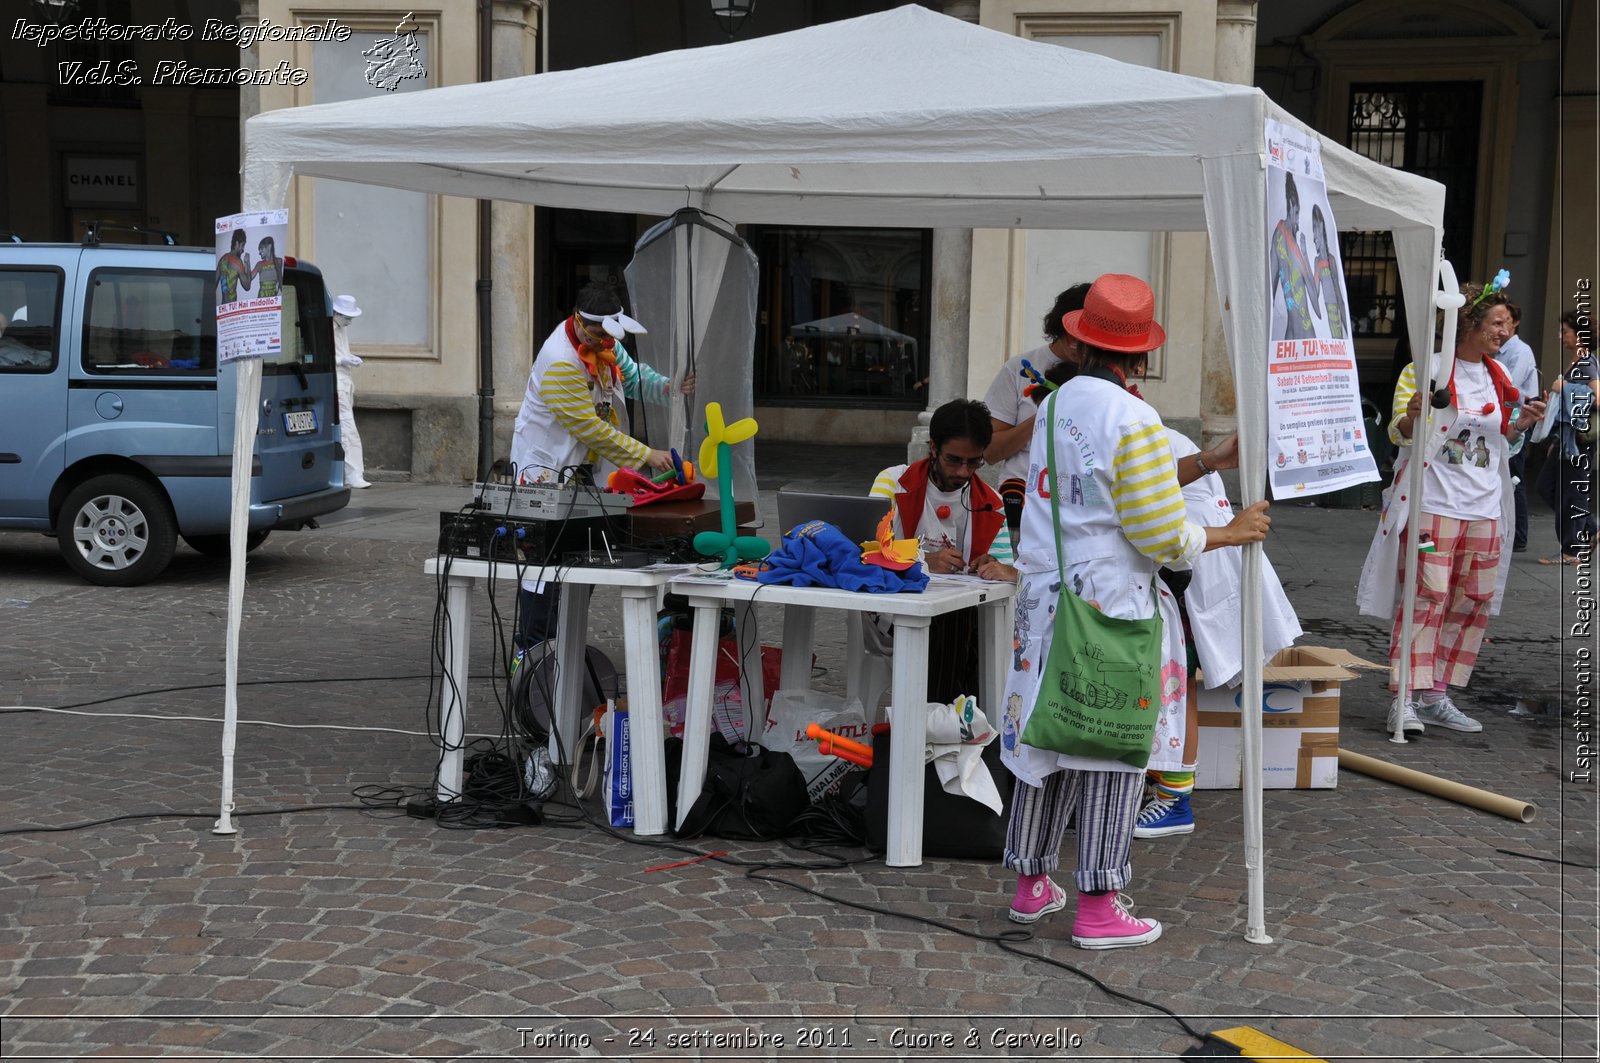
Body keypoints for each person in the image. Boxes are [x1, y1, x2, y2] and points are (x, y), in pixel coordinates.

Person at [999, 274, 1272, 949]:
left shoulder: (1059, 402)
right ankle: (1097, 904)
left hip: (1047, 598)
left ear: (1085, 340)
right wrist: (1228, 531)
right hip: (1110, 606)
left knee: (1045, 735)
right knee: (1111, 745)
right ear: (1141, 356)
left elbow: (1106, 491)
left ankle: (1031, 885)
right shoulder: (1134, 416)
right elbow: (1159, 534)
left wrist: (1202, 462)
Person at [1356, 278, 1547, 734]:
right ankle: (1404, 697)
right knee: (1424, 599)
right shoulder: (1427, 369)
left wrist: (1521, 423)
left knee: (1470, 604)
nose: (1506, 332)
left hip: (1484, 510)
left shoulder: (1499, 376)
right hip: (1433, 505)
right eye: (1497, 323)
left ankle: (1437, 693)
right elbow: (1398, 433)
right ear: (1469, 323)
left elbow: (1501, 439)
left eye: (1508, 325)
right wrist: (1414, 412)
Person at [510, 282, 690, 650]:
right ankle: (531, 650)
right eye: (597, 337)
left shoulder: (606, 341)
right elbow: (590, 428)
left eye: (609, 339)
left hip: (587, 471)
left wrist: (670, 387)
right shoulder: (560, 360)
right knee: (544, 569)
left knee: (584, 558)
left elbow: (634, 376)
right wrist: (645, 455)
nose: (604, 345)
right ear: (577, 321)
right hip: (547, 469)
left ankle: (567, 646)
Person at [865, 398, 1015, 704]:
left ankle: (948, 724)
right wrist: (922, 561)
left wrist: (993, 564)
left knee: (973, 623)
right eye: (954, 459)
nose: (963, 471)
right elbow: (865, 552)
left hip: (959, 615)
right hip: (893, 609)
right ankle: (951, 723)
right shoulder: (893, 482)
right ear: (933, 447)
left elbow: (1004, 574)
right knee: (955, 625)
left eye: (974, 462)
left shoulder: (990, 501)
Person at [981, 283, 1091, 543]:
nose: (1080, 347)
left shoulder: (1102, 376)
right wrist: (1045, 413)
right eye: (1073, 337)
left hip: (1080, 508)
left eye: (1088, 338)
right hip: (1022, 501)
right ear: (1058, 329)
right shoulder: (1019, 368)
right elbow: (990, 451)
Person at [1535, 310, 1596, 566]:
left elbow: (1598, 397)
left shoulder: (1586, 362)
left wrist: (1565, 388)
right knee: (1547, 487)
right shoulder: (1578, 361)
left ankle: (1572, 549)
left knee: (1570, 493)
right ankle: (1591, 529)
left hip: (1579, 442)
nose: (1560, 336)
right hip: (1567, 440)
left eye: (1565, 332)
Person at [1493, 302, 1540, 551]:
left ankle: (1519, 536)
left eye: (1505, 321)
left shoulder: (1519, 351)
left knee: (1514, 474)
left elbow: (1508, 385)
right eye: (1496, 321)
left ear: (1515, 322)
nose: (1501, 327)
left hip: (1518, 416)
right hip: (1506, 414)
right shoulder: (1499, 351)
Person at [1269, 171, 1318, 342]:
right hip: (1303, 332)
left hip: (1292, 334)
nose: (1297, 220)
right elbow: (1316, 304)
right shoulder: (1285, 239)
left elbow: (1270, 287)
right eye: (1297, 213)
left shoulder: (1280, 237)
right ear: (1292, 204)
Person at [332, 294, 371, 491]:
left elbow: (340, 353)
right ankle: (353, 474)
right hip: (338, 382)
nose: (349, 321)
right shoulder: (329, 328)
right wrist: (342, 361)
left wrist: (348, 358)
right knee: (348, 430)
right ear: (337, 313)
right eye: (347, 317)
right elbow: (326, 356)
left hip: (345, 382)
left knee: (346, 429)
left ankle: (352, 472)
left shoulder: (341, 328)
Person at [1309, 204, 1348, 340]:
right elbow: (1315, 291)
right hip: (1326, 312)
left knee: (1338, 339)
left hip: (1335, 310)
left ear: (1320, 227)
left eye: (1315, 229)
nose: (1314, 237)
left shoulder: (1331, 259)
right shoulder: (1317, 261)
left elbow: (1337, 290)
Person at [216, 228, 253, 303]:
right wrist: (248, 263)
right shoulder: (238, 262)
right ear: (237, 243)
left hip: (223, 306)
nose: (243, 249)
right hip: (231, 309)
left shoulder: (222, 259)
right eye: (242, 245)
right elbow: (247, 286)